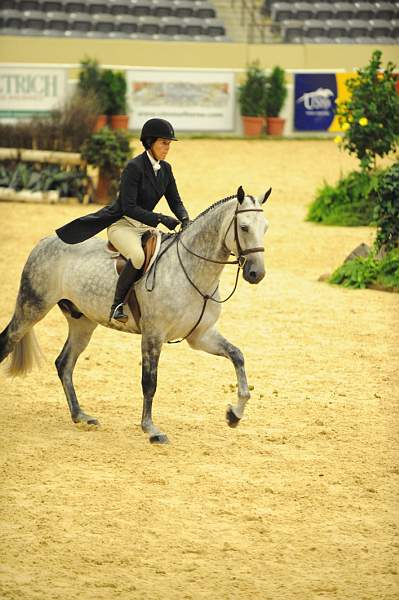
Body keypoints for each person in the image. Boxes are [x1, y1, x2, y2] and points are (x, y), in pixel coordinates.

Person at [56, 117, 190, 323]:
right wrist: (161, 218)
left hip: (144, 226)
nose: (167, 147)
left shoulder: (166, 169)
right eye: (164, 142)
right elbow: (128, 207)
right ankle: (117, 303)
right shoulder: (134, 167)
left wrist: (185, 218)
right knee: (137, 256)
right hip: (122, 224)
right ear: (150, 142)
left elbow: (175, 199)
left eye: (169, 143)